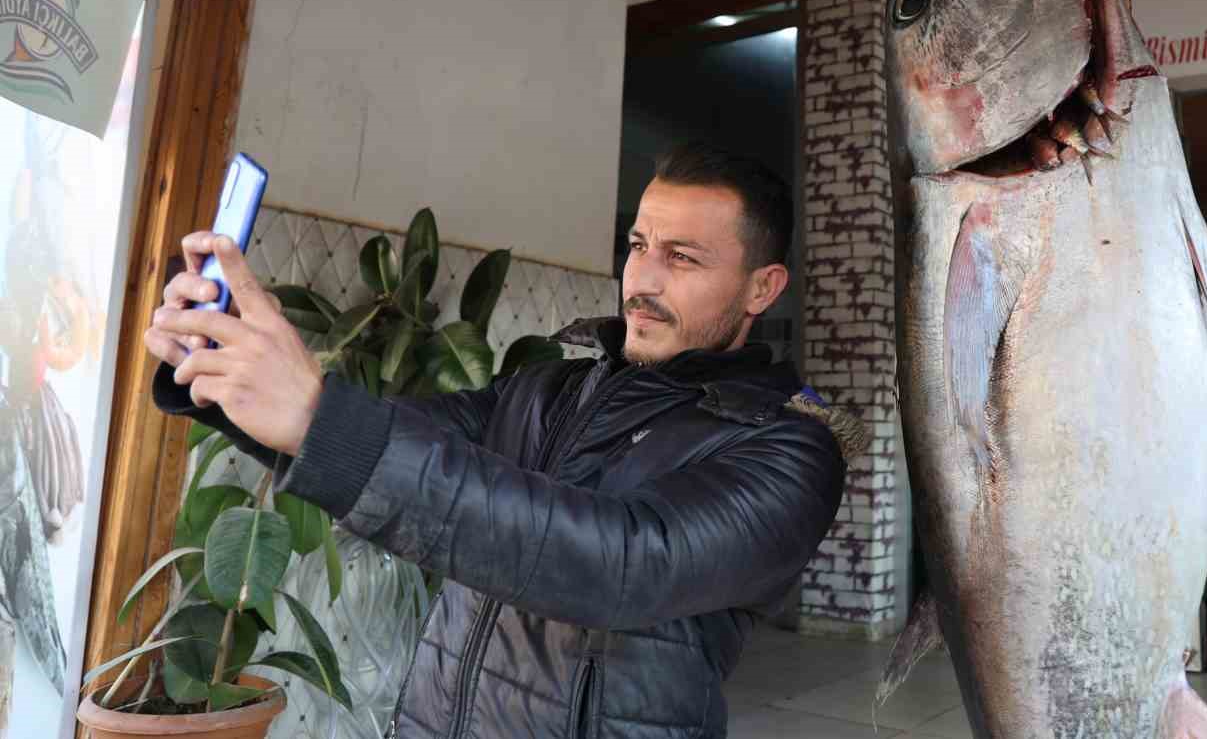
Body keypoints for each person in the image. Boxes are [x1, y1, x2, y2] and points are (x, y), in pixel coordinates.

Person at [143, 143, 864, 739]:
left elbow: (620, 564)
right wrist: (226, 377)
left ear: (762, 289)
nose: (640, 280)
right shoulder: (546, 387)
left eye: (683, 258)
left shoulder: (788, 450)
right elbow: (389, 441)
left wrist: (316, 417)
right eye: (639, 245)